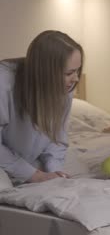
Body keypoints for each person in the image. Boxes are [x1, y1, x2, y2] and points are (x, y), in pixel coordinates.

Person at [0, 30, 83, 184]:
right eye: (69, 72)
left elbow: (57, 138)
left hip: (31, 159)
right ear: (46, 72)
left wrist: (54, 171)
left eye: (77, 71)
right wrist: (34, 175)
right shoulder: (4, 82)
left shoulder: (66, 86)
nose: (76, 78)